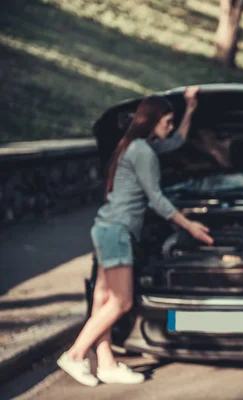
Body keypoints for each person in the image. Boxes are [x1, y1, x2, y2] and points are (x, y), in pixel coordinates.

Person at [57, 86, 214, 386]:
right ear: (153, 120)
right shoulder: (142, 151)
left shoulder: (137, 146)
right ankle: (75, 355)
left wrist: (190, 109)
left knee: (103, 300)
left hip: (106, 228)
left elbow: (177, 141)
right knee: (121, 302)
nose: (169, 127)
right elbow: (157, 198)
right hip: (117, 232)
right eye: (167, 121)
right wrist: (190, 226)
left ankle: (106, 364)